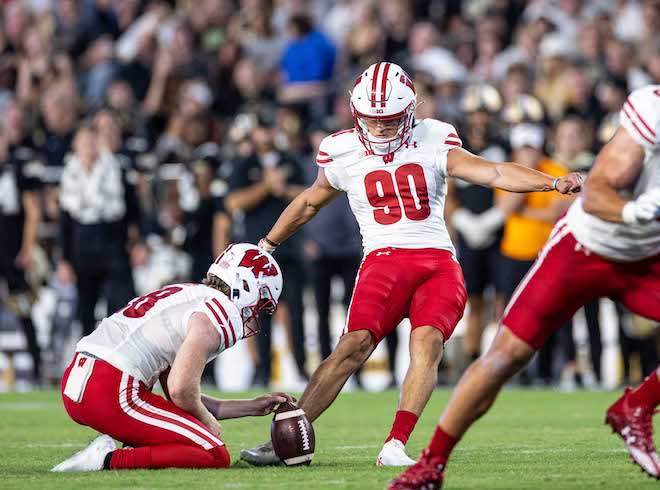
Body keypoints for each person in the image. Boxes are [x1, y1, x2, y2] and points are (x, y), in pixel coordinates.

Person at [240, 62, 581, 467]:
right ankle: (283, 440)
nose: (381, 128)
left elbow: (491, 171)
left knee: (427, 343)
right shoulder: (341, 149)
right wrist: (267, 244)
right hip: (382, 261)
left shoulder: (434, 137)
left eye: (389, 120)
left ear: (410, 112)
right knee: (352, 346)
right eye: (372, 119)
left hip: (437, 260)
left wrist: (551, 182)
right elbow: (310, 201)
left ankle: (396, 443)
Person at [389, 84, 660, 489]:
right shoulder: (653, 112)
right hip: (587, 248)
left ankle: (636, 406)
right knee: (505, 357)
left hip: (645, 258)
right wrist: (637, 210)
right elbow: (598, 193)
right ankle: (430, 464)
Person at [51, 243, 294, 471]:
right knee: (214, 453)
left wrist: (250, 406)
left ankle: (131, 447)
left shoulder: (187, 293)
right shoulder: (220, 311)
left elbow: (179, 393)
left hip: (80, 379)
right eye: (260, 302)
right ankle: (106, 460)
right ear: (246, 286)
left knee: (195, 435)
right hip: (111, 389)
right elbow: (180, 390)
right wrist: (206, 421)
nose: (256, 311)